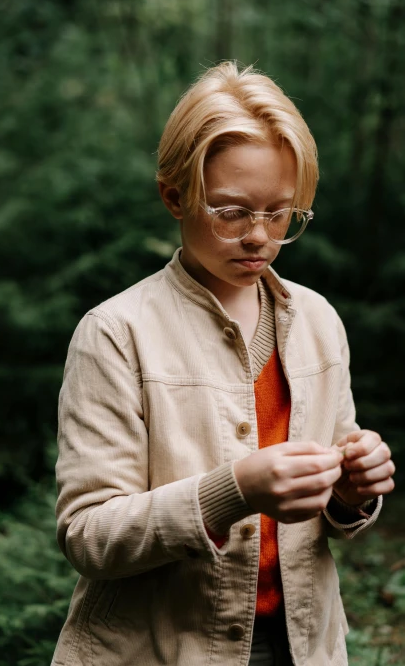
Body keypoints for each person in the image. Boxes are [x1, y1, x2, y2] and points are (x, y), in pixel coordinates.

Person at [51, 62, 395, 666]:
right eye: (232, 211)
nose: (259, 235)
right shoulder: (115, 334)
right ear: (174, 195)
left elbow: (331, 510)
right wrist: (232, 492)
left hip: (305, 645)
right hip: (161, 649)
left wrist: (353, 490)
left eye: (281, 212)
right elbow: (89, 536)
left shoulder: (318, 321)